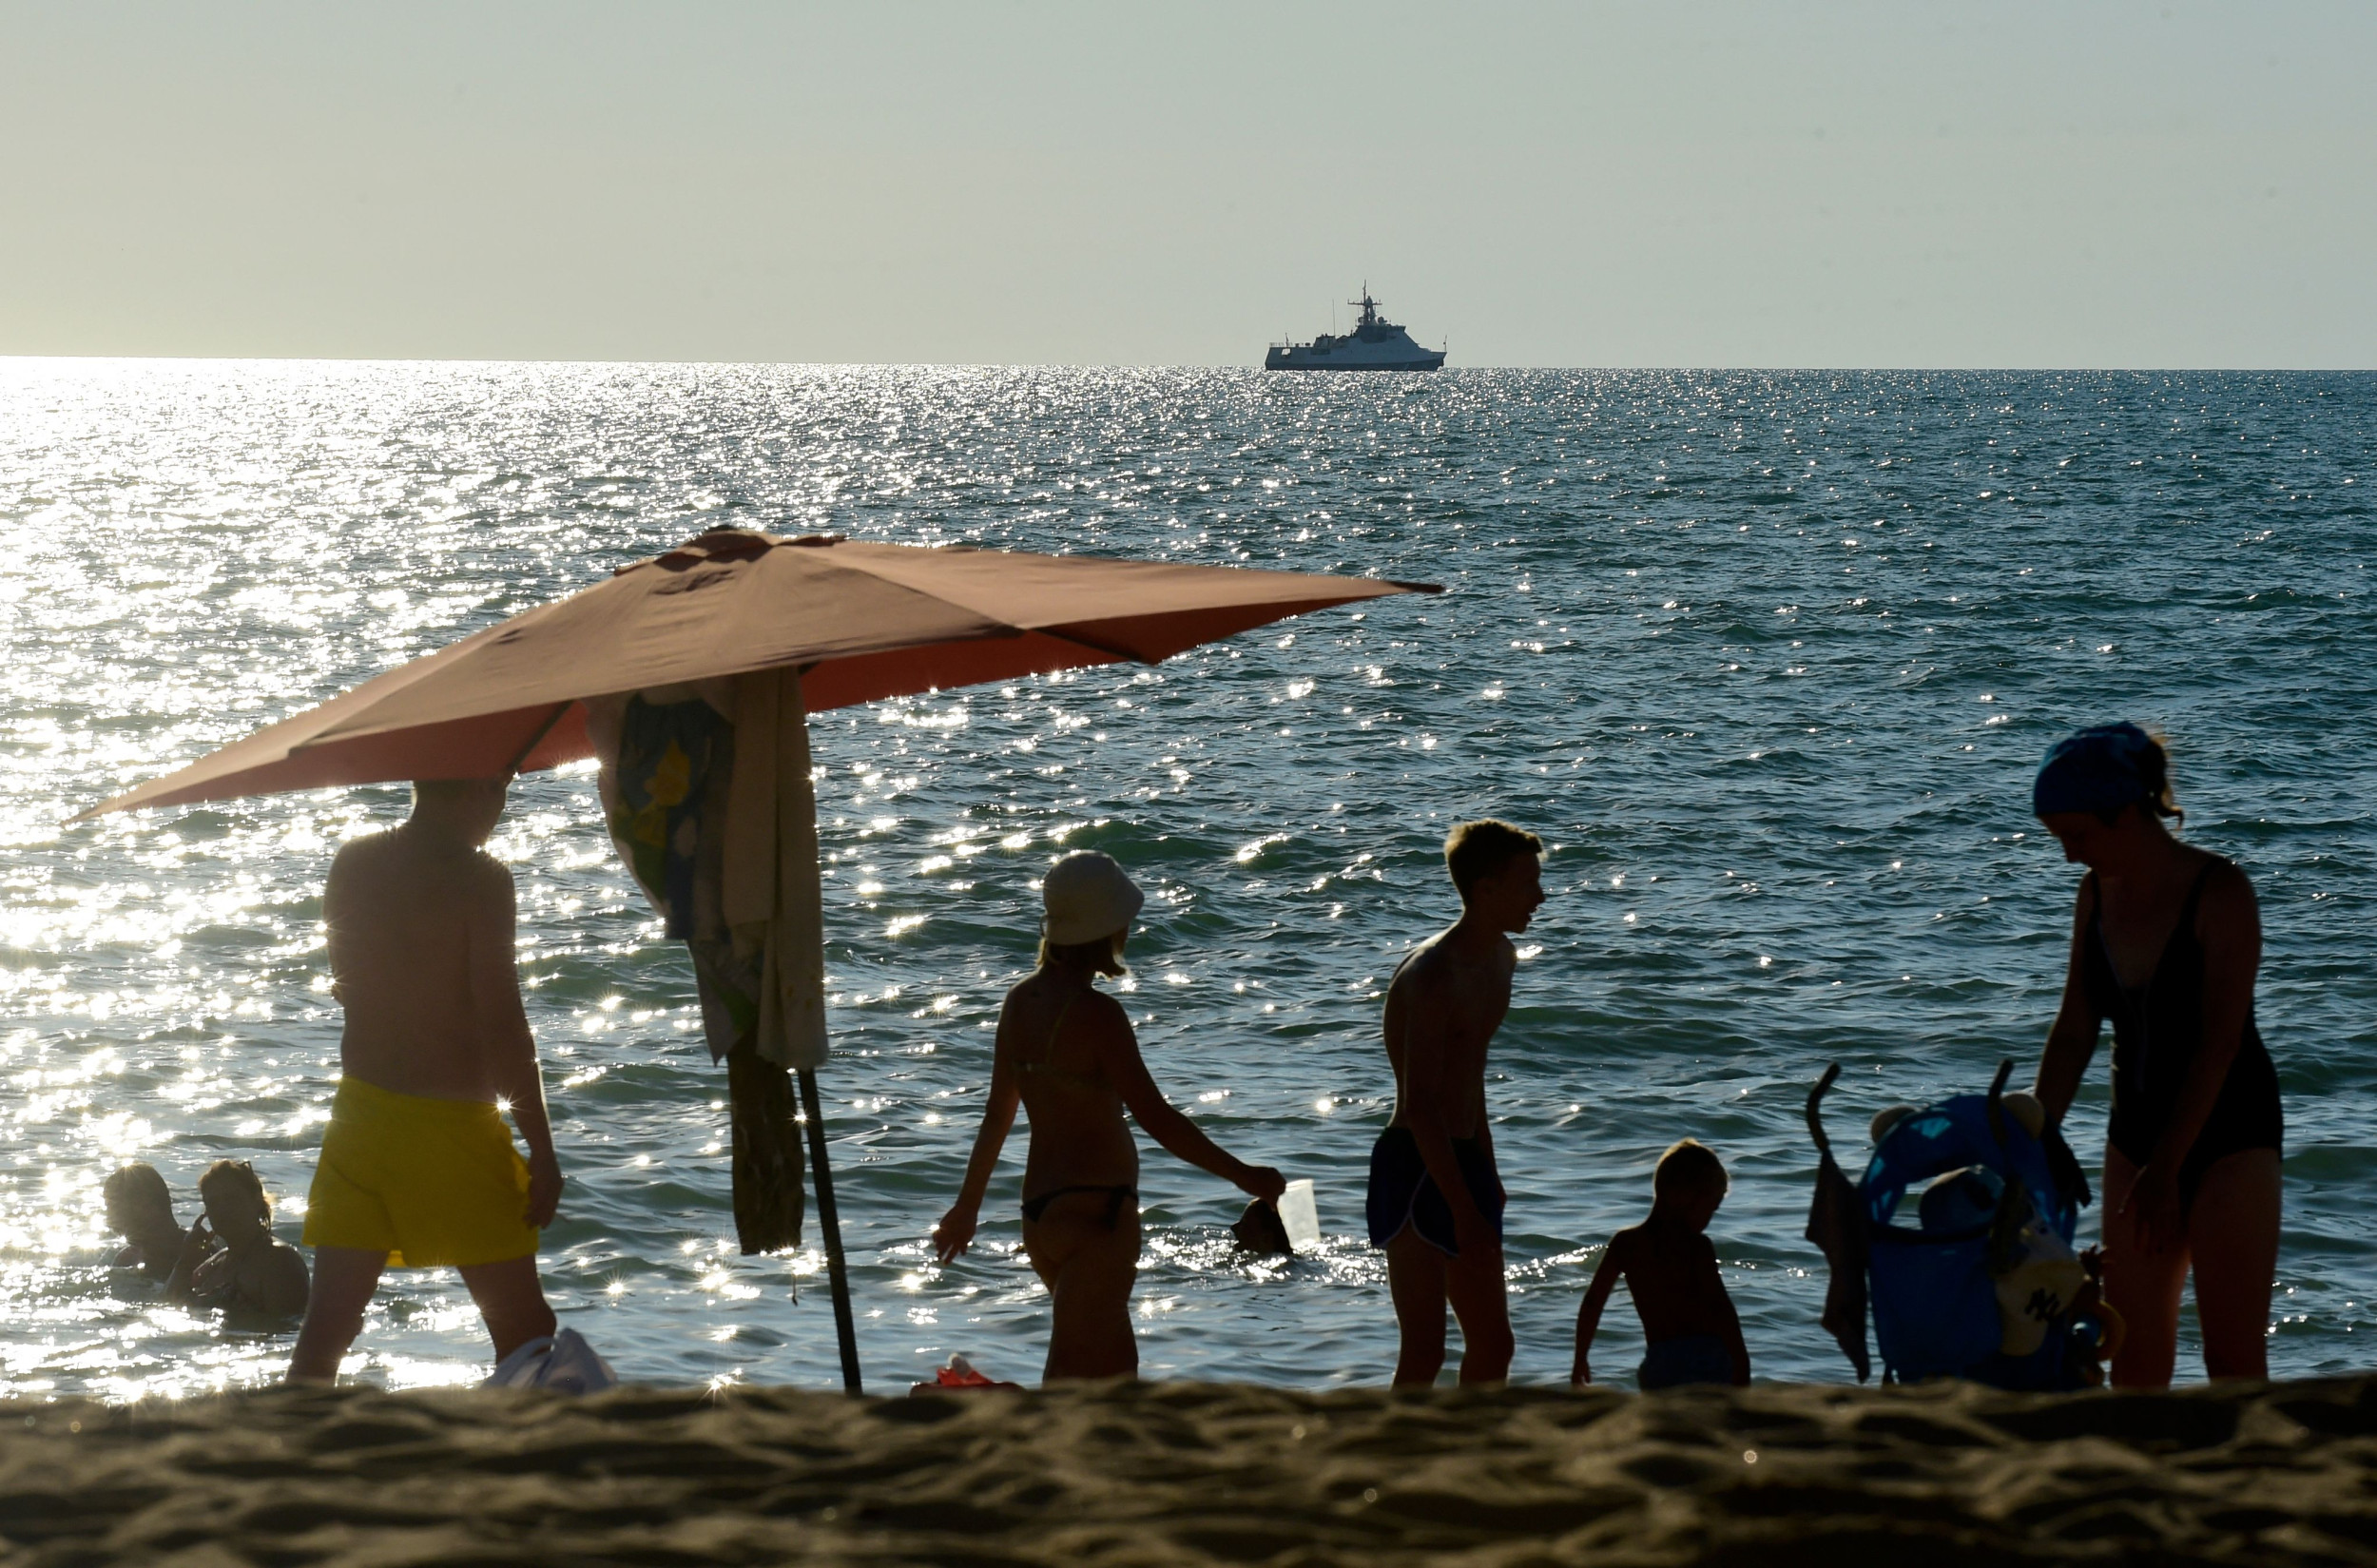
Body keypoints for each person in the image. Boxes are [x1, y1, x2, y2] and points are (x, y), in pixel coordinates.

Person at [932, 850, 1285, 1381]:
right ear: (1103, 929)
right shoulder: (1099, 1016)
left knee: (1116, 1376)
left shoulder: (1019, 1002)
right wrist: (1244, 1176)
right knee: (1068, 1383)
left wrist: (967, 1208)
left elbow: (996, 1116)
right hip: (1098, 1219)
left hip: (1041, 1218)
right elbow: (1156, 1117)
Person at [286, 777, 566, 1384]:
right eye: (499, 790)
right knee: (525, 1330)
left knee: (329, 1327)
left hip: (360, 1115)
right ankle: (534, 1464)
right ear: (475, 792)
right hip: (448, 1126)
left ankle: (282, 1453)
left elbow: (345, 984)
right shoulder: (481, 879)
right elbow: (501, 1020)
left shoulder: (354, 862)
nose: (501, 805)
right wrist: (541, 1147)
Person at [2028, 723, 2282, 1386]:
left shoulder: (2222, 893)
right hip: (2133, 1135)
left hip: (2232, 1135)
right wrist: (2032, 1137)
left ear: (2128, 813)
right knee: (2133, 1361)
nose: (2068, 856)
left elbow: (2218, 1044)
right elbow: (2075, 1031)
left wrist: (2168, 1168)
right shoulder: (2095, 895)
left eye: (2077, 836)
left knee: (2232, 1357)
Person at [1368, 818, 1544, 1388]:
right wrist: (1463, 1207)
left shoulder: (1501, 960)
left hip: (1464, 1156)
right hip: (1417, 1162)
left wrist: (1487, 1173)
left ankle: (1472, 1461)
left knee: (1494, 1343)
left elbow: (1472, 1078)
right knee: (1425, 1351)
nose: (1540, 897)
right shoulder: (1433, 976)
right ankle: (1392, 1463)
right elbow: (1420, 1106)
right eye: (1527, 884)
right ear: (1487, 889)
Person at [1570, 1139, 1750, 1390]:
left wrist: (1580, 1358)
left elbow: (1593, 1302)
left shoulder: (1626, 1243)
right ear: (1683, 1197)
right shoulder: (1696, 1246)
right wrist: (1741, 1361)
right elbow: (1723, 1310)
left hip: (1660, 1362)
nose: (1709, 1219)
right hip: (1707, 1358)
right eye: (1709, 1208)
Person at [166, 1159, 311, 1323]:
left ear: (256, 1200)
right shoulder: (215, 1264)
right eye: (213, 1203)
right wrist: (184, 1262)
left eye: (231, 1199)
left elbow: (289, 1329)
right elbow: (168, 1305)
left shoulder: (279, 1261)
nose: (222, 1210)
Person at [103, 1162, 199, 1284]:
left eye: (113, 1206)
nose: (109, 1218)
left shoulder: (198, 1253)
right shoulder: (126, 1259)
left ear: (145, 1205)